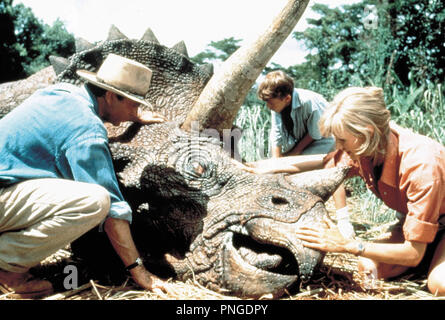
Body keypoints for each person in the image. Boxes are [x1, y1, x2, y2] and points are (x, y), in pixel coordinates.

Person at [0, 53, 169, 298]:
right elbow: (113, 211)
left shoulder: (61, 93)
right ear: (111, 96)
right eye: (133, 103)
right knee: (96, 201)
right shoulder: (87, 129)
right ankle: (5, 268)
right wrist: (137, 269)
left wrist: (132, 114)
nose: (137, 109)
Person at [294, 86, 445, 296]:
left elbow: (413, 253)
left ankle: (433, 263)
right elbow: (325, 165)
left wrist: (348, 244)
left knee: (440, 284)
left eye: (342, 140)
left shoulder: (422, 164)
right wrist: (265, 167)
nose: (337, 145)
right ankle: (432, 257)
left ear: (367, 131)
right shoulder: (368, 148)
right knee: (369, 268)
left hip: (437, 227)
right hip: (421, 227)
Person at [246, 70, 354, 238]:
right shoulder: (277, 105)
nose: (268, 106)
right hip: (299, 141)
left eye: (271, 102)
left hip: (326, 139)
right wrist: (276, 163)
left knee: (330, 169)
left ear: (286, 98)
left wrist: (294, 155)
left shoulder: (310, 102)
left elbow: (315, 133)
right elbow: (276, 135)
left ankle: (344, 220)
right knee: (279, 170)